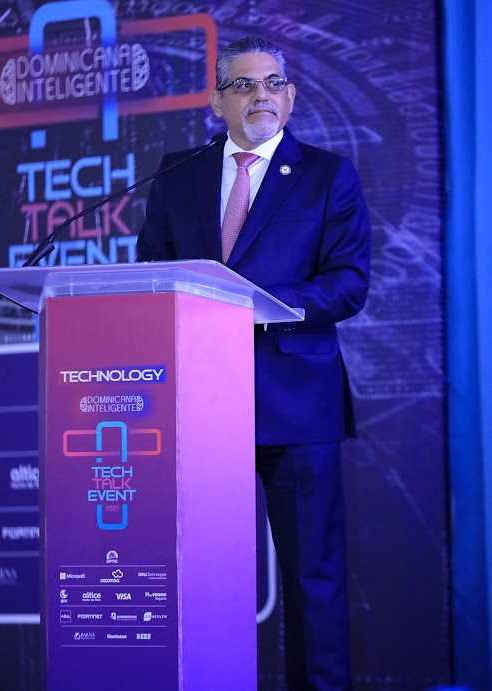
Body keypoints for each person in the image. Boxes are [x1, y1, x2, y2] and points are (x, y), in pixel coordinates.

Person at [137, 36, 371, 691]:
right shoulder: (177, 173)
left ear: (289, 98)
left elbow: (348, 283)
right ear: (216, 101)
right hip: (199, 407)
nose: (259, 95)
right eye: (242, 84)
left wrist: (256, 303)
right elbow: (153, 269)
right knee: (201, 578)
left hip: (297, 408)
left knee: (313, 578)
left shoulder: (327, 175)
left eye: (272, 83)